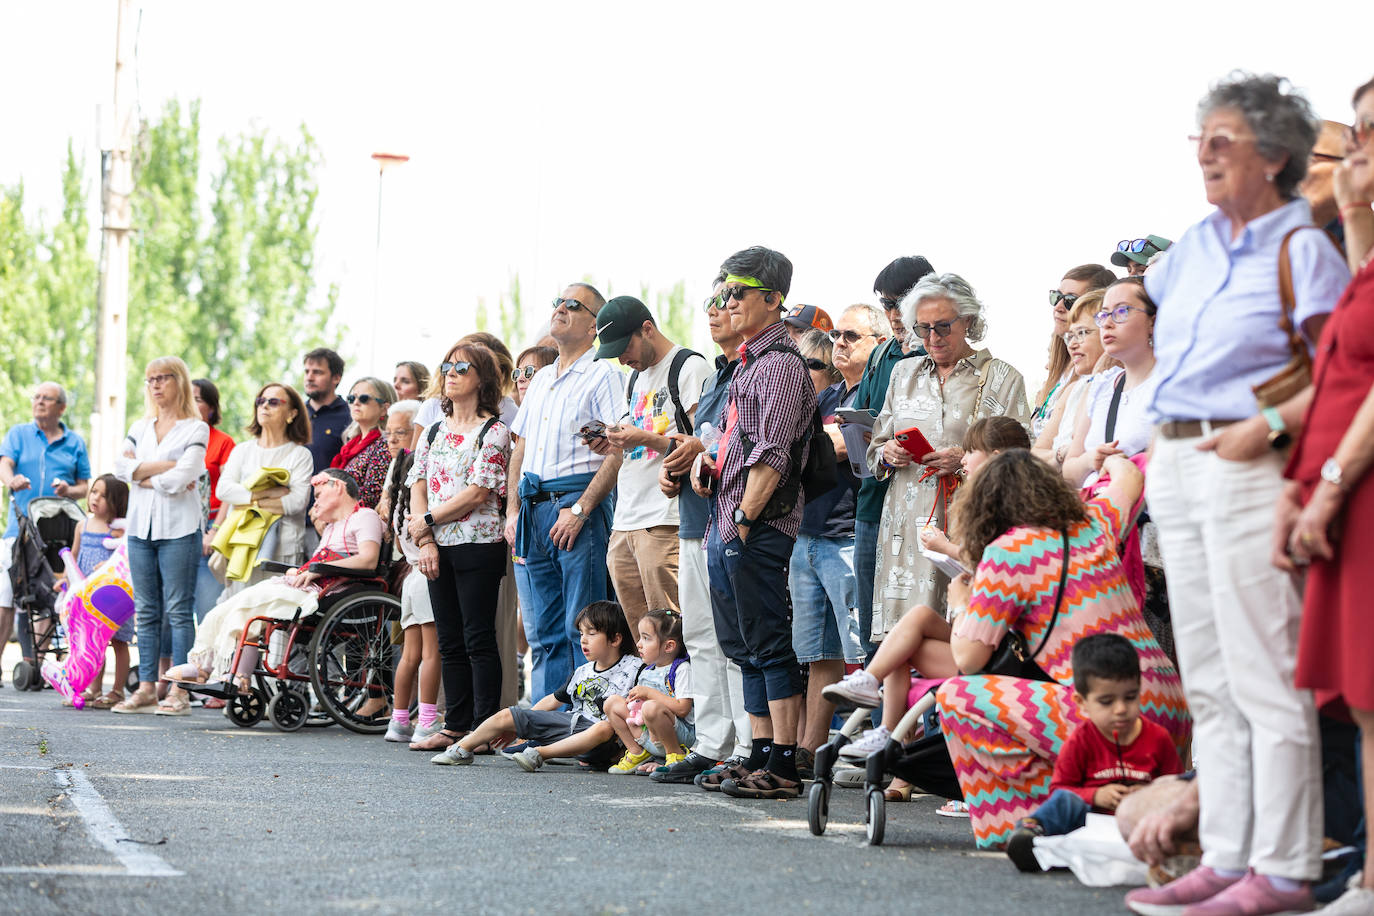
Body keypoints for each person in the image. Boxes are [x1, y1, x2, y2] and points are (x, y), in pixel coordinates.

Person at [1128, 72, 1351, 916]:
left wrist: (1274, 428)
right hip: (1176, 460)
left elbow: (1341, 373)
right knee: (1211, 679)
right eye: (1202, 138)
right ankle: (1228, 855)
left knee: (1266, 675)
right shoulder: (1191, 247)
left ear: (1278, 155)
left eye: (1226, 139)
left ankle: (1285, 869)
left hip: (1248, 459)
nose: (1207, 153)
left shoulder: (1304, 249)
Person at [933, 451, 1188, 850]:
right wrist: (1108, 460)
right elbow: (1130, 479)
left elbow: (968, 659)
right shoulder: (1094, 524)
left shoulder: (1007, 552)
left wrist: (961, 602)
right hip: (1169, 706)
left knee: (955, 698)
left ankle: (1023, 824)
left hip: (1107, 715)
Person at [1274, 74, 1374, 916]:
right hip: (1330, 484)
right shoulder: (1345, 249)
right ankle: (1362, 867)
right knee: (1355, 692)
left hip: (1355, 481)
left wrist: (1329, 482)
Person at [824, 416, 1030, 783]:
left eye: (971, 452)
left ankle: (882, 716)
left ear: (997, 457)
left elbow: (994, 565)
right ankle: (877, 705)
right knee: (914, 620)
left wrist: (947, 552)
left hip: (1001, 652)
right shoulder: (991, 502)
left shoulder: (1016, 514)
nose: (963, 460)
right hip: (982, 631)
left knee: (910, 634)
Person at [693, 245, 813, 800]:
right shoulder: (749, 364)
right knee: (743, 644)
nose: (727, 302)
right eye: (722, 293)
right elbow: (737, 443)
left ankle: (785, 764)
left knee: (769, 642)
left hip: (757, 523)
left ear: (773, 299)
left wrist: (742, 518)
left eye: (736, 292)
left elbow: (774, 454)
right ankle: (760, 752)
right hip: (729, 518)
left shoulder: (783, 364)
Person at [866, 272, 1029, 644]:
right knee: (901, 639)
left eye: (942, 326)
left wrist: (965, 457)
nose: (933, 339)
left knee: (962, 637)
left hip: (968, 521)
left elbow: (1023, 460)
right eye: (922, 329)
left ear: (968, 320)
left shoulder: (1002, 378)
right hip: (905, 529)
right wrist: (888, 452)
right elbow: (875, 447)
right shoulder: (903, 373)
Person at [651, 275, 753, 786]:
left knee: (737, 638)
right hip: (694, 519)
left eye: (726, 302)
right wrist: (678, 468)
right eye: (710, 304)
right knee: (701, 635)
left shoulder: (760, 371)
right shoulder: (717, 374)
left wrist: (700, 451)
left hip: (735, 522)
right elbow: (703, 440)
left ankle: (749, 743)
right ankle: (714, 743)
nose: (715, 312)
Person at [503, 283, 624, 703]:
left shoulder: (604, 372)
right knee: (543, 631)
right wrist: (512, 510)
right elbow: (520, 446)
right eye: (558, 301)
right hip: (532, 505)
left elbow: (620, 446)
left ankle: (586, 723)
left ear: (595, 326)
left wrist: (581, 508)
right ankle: (546, 720)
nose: (561, 308)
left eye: (574, 305)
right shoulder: (538, 381)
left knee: (584, 626)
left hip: (575, 503)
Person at [167, 469, 383, 686]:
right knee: (235, 605)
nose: (314, 504)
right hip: (313, 585)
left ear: (337, 486)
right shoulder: (332, 527)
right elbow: (319, 566)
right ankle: (209, 666)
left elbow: (368, 560)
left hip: (331, 592)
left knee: (250, 603)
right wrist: (303, 570)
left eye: (317, 496)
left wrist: (320, 569)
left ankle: (216, 670)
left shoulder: (365, 516)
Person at [406, 344, 511, 751]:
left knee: (477, 637)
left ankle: (483, 730)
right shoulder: (434, 429)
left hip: (477, 544)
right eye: (447, 366)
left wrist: (428, 521)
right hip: (438, 547)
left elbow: (479, 491)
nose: (451, 372)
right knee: (449, 639)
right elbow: (417, 482)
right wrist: (425, 538)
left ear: (481, 379)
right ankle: (455, 724)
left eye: (462, 367)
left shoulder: (495, 430)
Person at [1005, 633, 1183, 873]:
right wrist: (1096, 796)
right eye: (1107, 702)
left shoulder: (1158, 738)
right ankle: (1031, 834)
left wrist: (1148, 795)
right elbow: (1060, 790)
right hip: (1089, 826)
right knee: (1065, 802)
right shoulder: (1080, 740)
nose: (1121, 709)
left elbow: (1175, 788)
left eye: (1130, 698)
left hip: (1140, 826)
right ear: (1082, 703)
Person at [596, 294, 709, 631]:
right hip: (625, 519)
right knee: (641, 635)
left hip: (665, 518)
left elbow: (704, 446)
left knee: (672, 632)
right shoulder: (635, 378)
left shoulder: (689, 366)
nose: (621, 358)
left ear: (646, 329)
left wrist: (643, 438)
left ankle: (677, 686)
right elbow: (635, 439)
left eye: (624, 347)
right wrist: (611, 439)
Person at [849, 256, 935, 664]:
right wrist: (880, 447)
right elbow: (867, 427)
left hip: (928, 504)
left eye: (901, 301)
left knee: (927, 620)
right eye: (885, 304)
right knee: (874, 629)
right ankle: (876, 719)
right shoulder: (882, 355)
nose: (894, 314)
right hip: (873, 500)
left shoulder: (948, 358)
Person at [111, 357, 208, 715]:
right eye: (150, 379)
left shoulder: (196, 429)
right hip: (140, 528)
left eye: (162, 378)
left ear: (179, 381)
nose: (155, 385)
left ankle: (179, 691)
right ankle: (148, 686)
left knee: (180, 611)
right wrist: (166, 468)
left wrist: (144, 475)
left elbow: (186, 474)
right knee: (147, 611)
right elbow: (120, 469)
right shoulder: (140, 426)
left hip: (179, 530)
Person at [791, 320, 871, 755]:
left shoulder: (869, 394)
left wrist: (803, 443)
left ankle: (883, 747)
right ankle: (809, 749)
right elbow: (804, 443)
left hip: (847, 534)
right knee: (819, 654)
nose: (841, 342)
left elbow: (836, 445)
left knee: (862, 650)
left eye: (852, 336)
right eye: (837, 335)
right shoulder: (827, 397)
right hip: (808, 532)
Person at [430, 600, 639, 767]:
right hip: (571, 724)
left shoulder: (634, 667)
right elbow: (554, 700)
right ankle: (462, 748)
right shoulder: (582, 671)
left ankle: (541, 753)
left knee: (602, 728)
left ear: (615, 639)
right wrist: (523, 725)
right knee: (509, 714)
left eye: (591, 634)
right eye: (581, 633)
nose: (583, 640)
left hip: (605, 737)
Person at [0, 381, 91, 681]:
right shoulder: (19, 434)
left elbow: (86, 486)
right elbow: (4, 464)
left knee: (45, 598)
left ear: (61, 407)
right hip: (18, 529)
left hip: (54, 535)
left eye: (46, 398)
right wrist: (11, 480)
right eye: (36, 397)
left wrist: (69, 490)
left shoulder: (75, 442)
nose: (39, 402)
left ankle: (38, 667)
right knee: (5, 599)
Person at [1061, 278, 1159, 489]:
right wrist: (1091, 460)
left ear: (1153, 321)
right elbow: (1069, 471)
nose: (1107, 323)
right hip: (1099, 514)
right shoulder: (1102, 386)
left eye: (1122, 311)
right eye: (1104, 314)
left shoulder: (1170, 385)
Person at [213, 384, 315, 581]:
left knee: (274, 610)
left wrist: (245, 501)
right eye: (261, 401)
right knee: (240, 609)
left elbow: (296, 502)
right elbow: (223, 490)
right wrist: (269, 493)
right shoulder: (242, 450)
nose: (264, 406)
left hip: (282, 549)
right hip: (241, 544)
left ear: (292, 413)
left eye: (274, 402)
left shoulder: (300, 455)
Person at [380, 447, 443, 745]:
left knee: (409, 655)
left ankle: (399, 719)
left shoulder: (398, 510)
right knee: (432, 653)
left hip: (410, 580)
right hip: (427, 576)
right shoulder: (423, 509)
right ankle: (428, 719)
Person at [597, 608, 694, 775]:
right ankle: (638, 752)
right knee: (612, 703)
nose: (638, 644)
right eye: (640, 637)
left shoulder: (681, 669)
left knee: (650, 707)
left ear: (669, 646)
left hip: (679, 736)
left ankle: (675, 754)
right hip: (649, 734)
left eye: (646, 638)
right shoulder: (647, 671)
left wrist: (649, 694)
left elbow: (683, 709)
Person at [1030, 264, 1117, 439]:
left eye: (1070, 300)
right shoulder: (1059, 361)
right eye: (1056, 297)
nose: (1058, 307)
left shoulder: (1101, 376)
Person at [68, 474, 130, 709]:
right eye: (94, 491)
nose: (96, 498)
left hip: (113, 595)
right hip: (87, 593)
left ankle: (117, 690)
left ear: (117, 501)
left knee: (118, 640)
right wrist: (66, 581)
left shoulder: (118, 529)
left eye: (104, 496)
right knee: (93, 641)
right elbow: (73, 556)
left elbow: (124, 556)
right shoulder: (82, 525)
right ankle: (94, 688)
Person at [1032, 292, 1110, 470]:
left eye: (1082, 333)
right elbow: (1036, 456)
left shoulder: (1120, 385)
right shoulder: (1073, 390)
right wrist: (1061, 454)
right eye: (1070, 336)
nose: (1072, 345)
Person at [192, 379, 235, 623]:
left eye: (197, 399)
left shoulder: (223, 442)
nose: (190, 403)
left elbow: (229, 490)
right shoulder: (174, 438)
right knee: (172, 611)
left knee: (208, 608)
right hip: (179, 528)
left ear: (211, 407)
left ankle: (204, 662)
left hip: (211, 526)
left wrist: (215, 530)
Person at [332, 377, 396, 510]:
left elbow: (372, 495)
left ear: (384, 408)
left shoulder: (384, 444)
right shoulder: (351, 444)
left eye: (364, 398)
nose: (356, 402)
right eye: (351, 398)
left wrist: (331, 505)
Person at [302, 348, 348, 473]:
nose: (309, 378)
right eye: (307, 372)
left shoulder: (350, 416)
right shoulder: (295, 413)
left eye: (317, 372)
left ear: (336, 378)